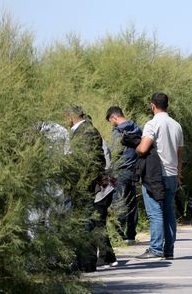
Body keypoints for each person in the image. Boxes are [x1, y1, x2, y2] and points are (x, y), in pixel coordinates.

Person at [65, 105, 116, 271]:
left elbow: (88, 162)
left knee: (85, 223)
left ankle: (86, 263)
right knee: (86, 222)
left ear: (71, 116)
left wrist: (80, 182)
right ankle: (85, 261)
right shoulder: (86, 130)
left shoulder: (86, 131)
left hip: (83, 185)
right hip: (85, 184)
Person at [135, 92, 184, 260]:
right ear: (167, 105)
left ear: (152, 106)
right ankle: (168, 249)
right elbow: (179, 152)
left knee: (155, 212)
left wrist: (137, 148)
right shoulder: (176, 125)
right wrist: (179, 174)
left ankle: (155, 249)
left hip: (156, 175)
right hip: (172, 174)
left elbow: (143, 148)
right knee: (169, 211)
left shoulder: (152, 124)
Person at [105, 106, 142, 245]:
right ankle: (131, 234)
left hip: (120, 172)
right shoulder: (137, 128)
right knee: (132, 203)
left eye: (110, 121)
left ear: (114, 117)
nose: (111, 124)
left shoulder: (117, 132)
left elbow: (115, 153)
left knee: (119, 203)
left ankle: (119, 236)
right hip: (134, 171)